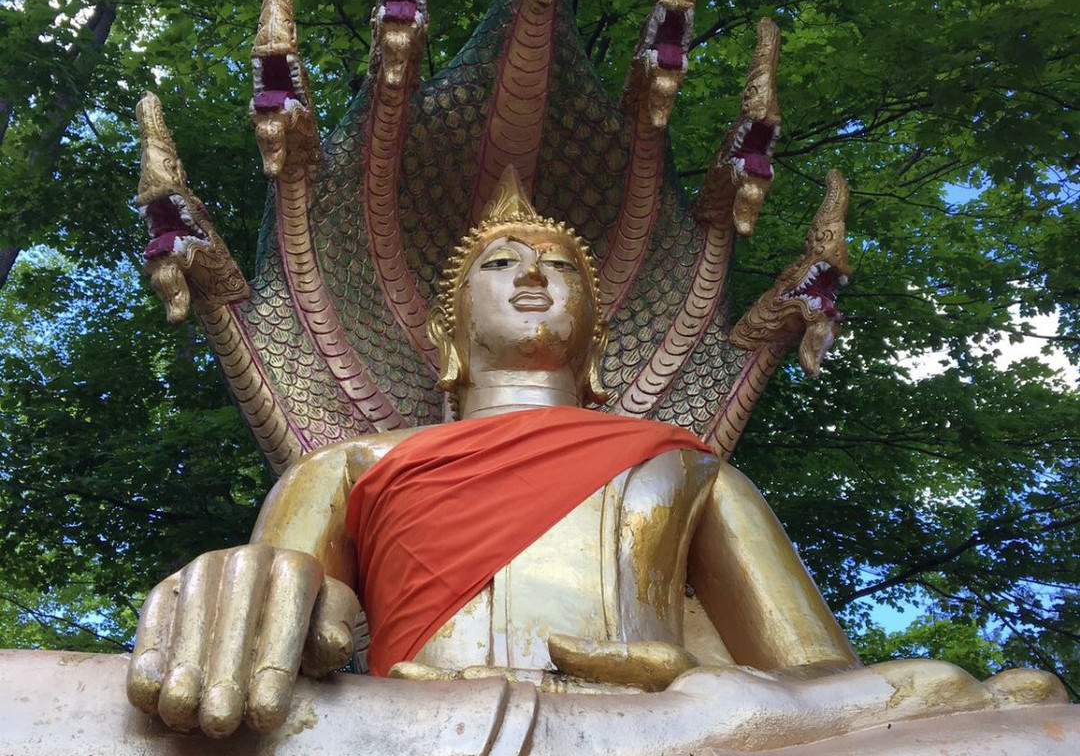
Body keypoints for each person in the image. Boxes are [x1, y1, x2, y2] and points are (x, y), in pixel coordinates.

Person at [125, 168, 944, 740]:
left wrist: (707, 684)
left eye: (559, 268)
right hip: (411, 730)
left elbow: (823, 688)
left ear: (598, 343)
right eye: (501, 264)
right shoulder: (347, 466)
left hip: (662, 732)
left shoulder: (690, 470)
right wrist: (261, 593)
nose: (533, 276)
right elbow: (291, 636)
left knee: (999, 714)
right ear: (446, 336)